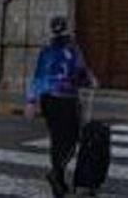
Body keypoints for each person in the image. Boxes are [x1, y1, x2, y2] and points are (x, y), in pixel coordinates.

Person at [24, 16, 96, 198]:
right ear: (67, 28)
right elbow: (80, 71)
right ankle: (56, 174)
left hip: (47, 100)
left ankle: (60, 181)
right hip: (66, 99)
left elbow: (38, 75)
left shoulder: (46, 49)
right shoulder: (72, 48)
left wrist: (31, 101)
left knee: (56, 140)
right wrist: (90, 81)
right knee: (71, 139)